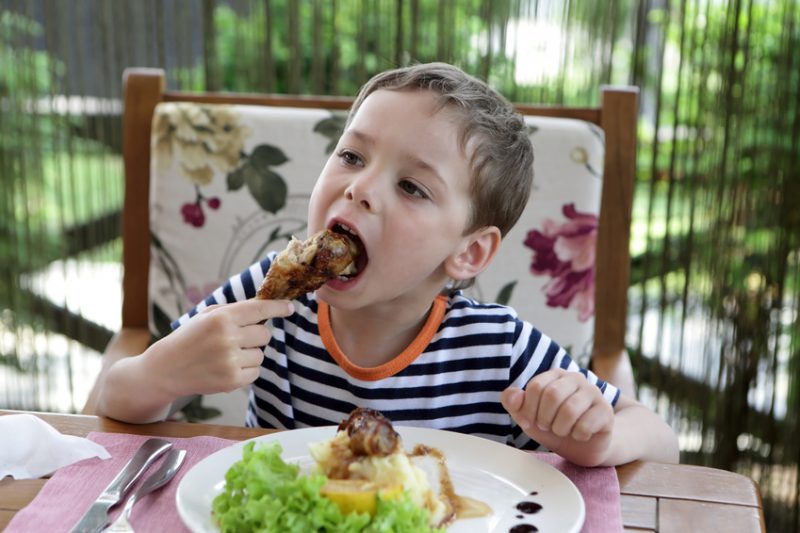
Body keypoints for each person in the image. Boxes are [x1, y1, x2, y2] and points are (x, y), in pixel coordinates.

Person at [95, 62, 678, 467]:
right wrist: (163, 374)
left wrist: (594, 437)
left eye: (411, 186)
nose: (361, 189)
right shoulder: (266, 298)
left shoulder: (496, 347)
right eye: (351, 155)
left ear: (469, 252)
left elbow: (660, 442)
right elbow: (116, 400)